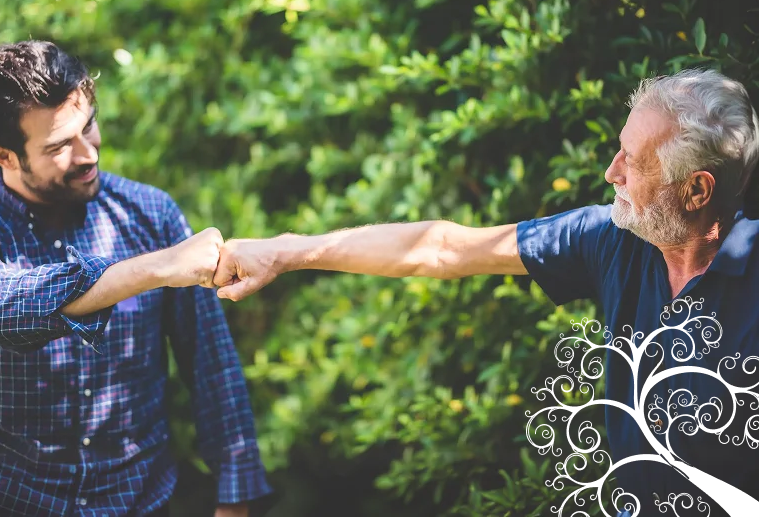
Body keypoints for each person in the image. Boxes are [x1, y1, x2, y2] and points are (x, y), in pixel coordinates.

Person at [213, 68, 759, 517]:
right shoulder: (613, 239)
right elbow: (444, 248)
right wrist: (284, 252)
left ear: (695, 190)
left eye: (633, 163)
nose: (610, 171)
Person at [0, 41, 272, 516]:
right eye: (59, 146)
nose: (88, 153)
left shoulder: (151, 213)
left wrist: (236, 499)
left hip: (137, 500)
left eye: (89, 126)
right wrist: (155, 268)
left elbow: (211, 366)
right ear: (4, 156)